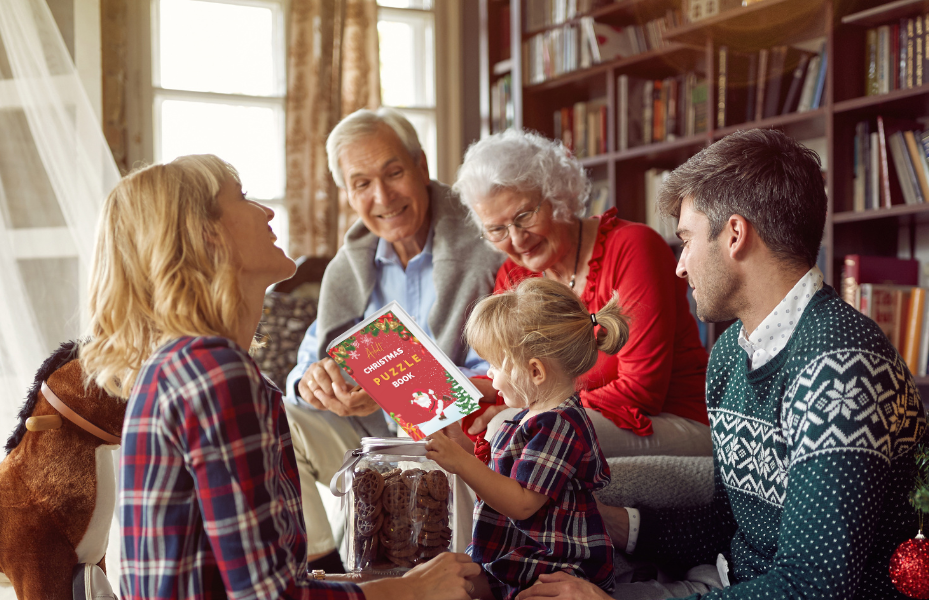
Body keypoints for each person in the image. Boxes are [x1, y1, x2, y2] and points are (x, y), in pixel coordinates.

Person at [516, 129, 929, 600]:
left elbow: (814, 587)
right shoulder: (732, 351)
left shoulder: (841, 368)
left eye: (687, 240)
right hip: (727, 580)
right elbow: (728, 523)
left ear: (735, 235)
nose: (680, 266)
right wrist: (610, 522)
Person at [79, 155, 481, 600]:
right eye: (243, 199)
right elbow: (270, 598)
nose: (267, 212)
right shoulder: (217, 374)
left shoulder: (187, 363)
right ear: (207, 235)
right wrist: (414, 590)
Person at [282, 108, 505, 569]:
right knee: (278, 418)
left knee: (429, 424)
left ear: (422, 167)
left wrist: (395, 393)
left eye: (394, 172)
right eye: (362, 183)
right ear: (348, 193)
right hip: (370, 438)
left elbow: (507, 367)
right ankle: (326, 571)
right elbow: (309, 360)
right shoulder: (351, 265)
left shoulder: (484, 244)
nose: (382, 196)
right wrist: (313, 381)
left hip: (455, 429)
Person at [453, 129, 711, 459]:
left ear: (557, 195)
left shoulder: (633, 248)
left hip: (671, 421)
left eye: (524, 216)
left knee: (522, 435)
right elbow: (525, 375)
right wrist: (483, 390)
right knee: (460, 435)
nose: (516, 240)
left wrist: (523, 416)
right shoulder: (516, 275)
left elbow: (640, 391)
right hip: (576, 414)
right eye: (497, 229)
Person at [426, 278, 626, 600]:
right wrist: (458, 447)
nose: (489, 374)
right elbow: (498, 474)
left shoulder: (561, 425)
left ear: (535, 371)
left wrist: (460, 461)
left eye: (494, 364)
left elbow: (521, 503)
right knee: (442, 578)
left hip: (553, 566)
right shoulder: (527, 416)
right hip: (509, 556)